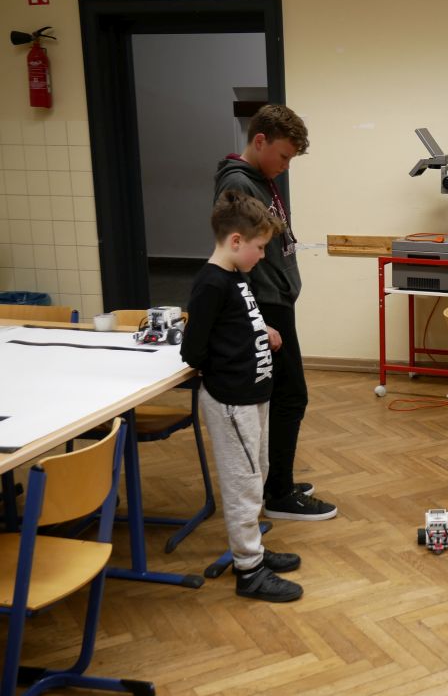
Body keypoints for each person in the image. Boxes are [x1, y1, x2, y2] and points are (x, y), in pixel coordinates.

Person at [215, 104, 337, 521]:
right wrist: (256, 318)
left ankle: (276, 481)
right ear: (260, 140)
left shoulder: (260, 180)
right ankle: (279, 493)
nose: (285, 166)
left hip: (275, 299)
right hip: (264, 305)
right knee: (290, 395)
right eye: (283, 156)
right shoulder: (237, 182)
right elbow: (234, 256)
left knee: (285, 395)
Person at [180, 191, 304, 602]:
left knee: (257, 471)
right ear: (236, 241)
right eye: (260, 247)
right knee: (243, 484)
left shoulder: (235, 275)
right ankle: (249, 570)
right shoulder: (211, 282)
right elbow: (193, 349)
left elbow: (233, 323)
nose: (263, 256)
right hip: (232, 400)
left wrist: (260, 331)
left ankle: (254, 550)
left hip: (254, 395)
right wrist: (229, 362)